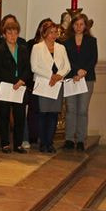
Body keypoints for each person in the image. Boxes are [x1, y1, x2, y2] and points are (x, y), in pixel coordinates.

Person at [30, 21, 70, 153]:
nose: (53, 35)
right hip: (43, 84)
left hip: (57, 84)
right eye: (51, 32)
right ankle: (43, 143)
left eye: (55, 32)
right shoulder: (37, 47)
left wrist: (58, 76)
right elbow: (34, 67)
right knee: (43, 114)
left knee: (53, 114)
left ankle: (50, 142)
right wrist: (50, 76)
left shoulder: (61, 48)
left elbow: (67, 67)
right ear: (45, 33)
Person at [0, 21, 31, 154]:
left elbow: (27, 68)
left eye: (15, 33)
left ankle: (18, 144)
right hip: (5, 86)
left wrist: (21, 81)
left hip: (20, 86)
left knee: (20, 116)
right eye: (9, 33)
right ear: (4, 34)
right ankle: (5, 143)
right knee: (4, 116)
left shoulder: (23, 49)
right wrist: (15, 80)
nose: (12, 35)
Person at [63, 13, 97, 151]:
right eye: (76, 24)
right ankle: (70, 139)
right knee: (71, 109)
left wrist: (83, 72)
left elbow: (93, 59)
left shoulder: (91, 41)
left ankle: (81, 140)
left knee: (82, 110)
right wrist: (77, 72)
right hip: (71, 78)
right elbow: (66, 60)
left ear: (85, 26)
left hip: (87, 78)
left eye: (81, 24)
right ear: (73, 26)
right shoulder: (66, 42)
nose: (78, 27)